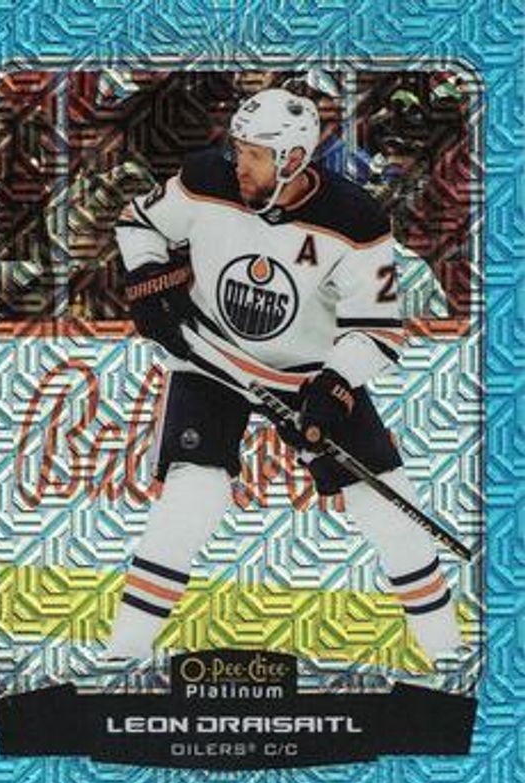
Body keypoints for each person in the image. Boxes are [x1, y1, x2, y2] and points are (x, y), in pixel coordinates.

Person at [106, 88, 463, 668]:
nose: (237, 163)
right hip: (212, 358)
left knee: (386, 506)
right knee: (192, 498)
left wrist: (333, 388)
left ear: (293, 159)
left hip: (307, 376)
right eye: (237, 148)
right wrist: (149, 287)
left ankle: (448, 655)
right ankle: (120, 658)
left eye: (253, 154)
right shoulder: (205, 178)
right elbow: (139, 222)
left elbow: (376, 331)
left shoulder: (355, 219)